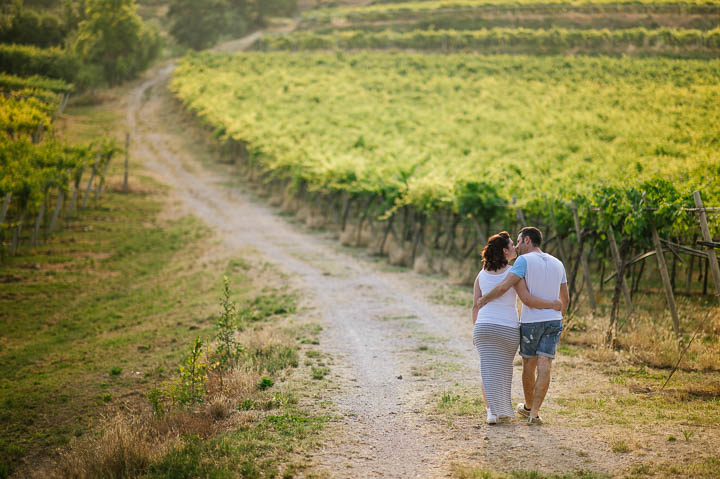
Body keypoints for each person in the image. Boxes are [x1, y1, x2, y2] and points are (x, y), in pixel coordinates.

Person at [478, 227, 569, 425]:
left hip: (531, 322)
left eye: (519, 242)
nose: (517, 247)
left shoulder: (523, 261)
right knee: (546, 366)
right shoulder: (558, 263)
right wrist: (557, 312)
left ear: (527, 240)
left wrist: (484, 299)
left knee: (529, 365)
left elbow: (512, 292)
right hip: (553, 321)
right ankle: (533, 413)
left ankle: (525, 407)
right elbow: (566, 299)